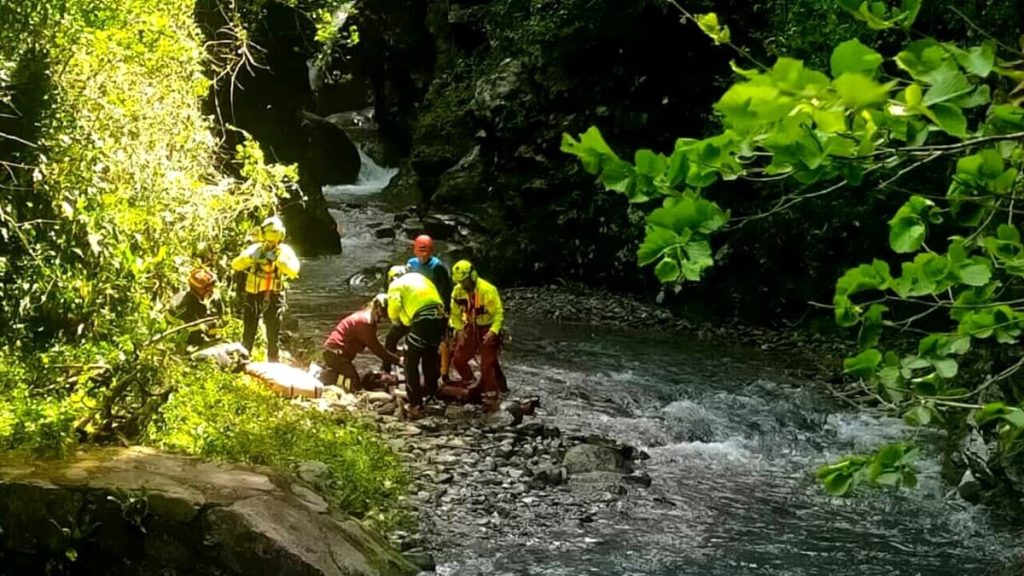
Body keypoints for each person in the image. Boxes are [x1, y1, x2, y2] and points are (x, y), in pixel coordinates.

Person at [231, 216, 300, 362]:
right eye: (269, 241)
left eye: (274, 241)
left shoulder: (285, 251)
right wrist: (251, 258)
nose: (271, 244)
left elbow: (294, 270)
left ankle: (273, 362)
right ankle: (243, 360)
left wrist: (280, 262)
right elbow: (236, 264)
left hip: (274, 295)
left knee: (273, 334)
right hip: (254, 295)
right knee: (248, 331)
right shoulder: (254, 249)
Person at [387, 265, 445, 419]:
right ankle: (432, 396)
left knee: (410, 363)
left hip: (422, 320)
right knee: (430, 359)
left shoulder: (396, 285)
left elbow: (394, 309)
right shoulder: (420, 278)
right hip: (439, 317)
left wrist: (396, 321)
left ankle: (415, 405)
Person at [448, 259, 506, 411]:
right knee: (459, 359)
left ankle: (491, 396)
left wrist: (493, 332)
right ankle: (471, 383)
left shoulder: (487, 290)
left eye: (464, 281)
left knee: (487, 364)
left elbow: (498, 315)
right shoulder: (457, 291)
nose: (462, 284)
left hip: (487, 326)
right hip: (470, 326)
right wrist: (459, 329)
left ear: (472, 275)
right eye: (460, 281)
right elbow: (454, 314)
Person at [319, 294, 401, 391]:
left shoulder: (367, 318)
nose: (383, 317)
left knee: (349, 379)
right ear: (377, 307)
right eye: (383, 313)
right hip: (335, 354)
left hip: (337, 353)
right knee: (354, 384)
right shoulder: (365, 322)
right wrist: (399, 361)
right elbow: (377, 349)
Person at [171, 267, 224, 348]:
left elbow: (219, 318)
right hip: (189, 343)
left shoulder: (212, 299)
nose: (212, 290)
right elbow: (192, 330)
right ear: (199, 290)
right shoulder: (186, 305)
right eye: (208, 287)